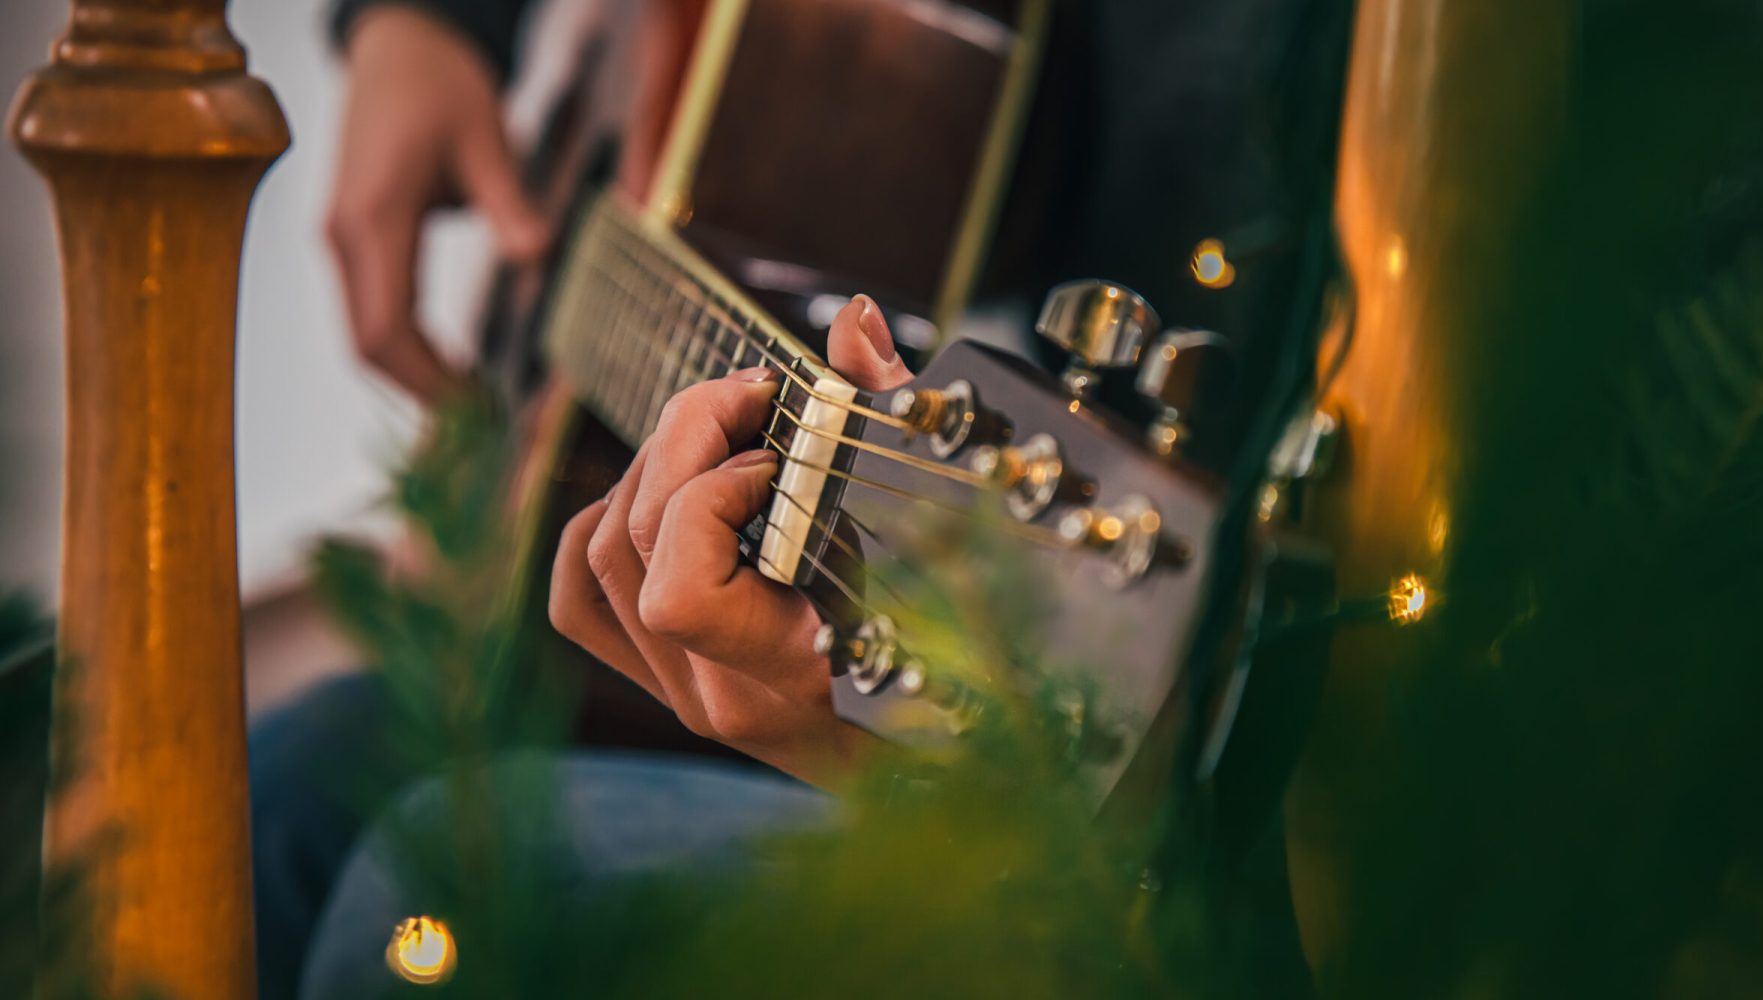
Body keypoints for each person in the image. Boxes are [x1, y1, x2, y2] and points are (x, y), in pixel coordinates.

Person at [256, 0, 1348, 995]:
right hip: (1060, 628)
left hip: (1229, 803)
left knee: (418, 899)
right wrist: (433, 22)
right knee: (282, 786)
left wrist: (921, 767)